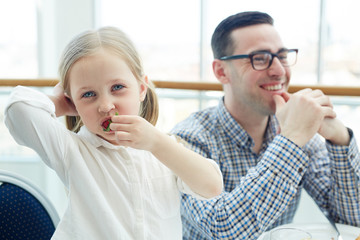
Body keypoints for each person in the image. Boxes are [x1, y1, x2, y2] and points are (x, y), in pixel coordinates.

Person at [4, 26, 223, 239]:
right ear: (72, 102)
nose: (106, 105)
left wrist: (157, 143)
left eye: (117, 87)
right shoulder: (72, 150)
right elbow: (18, 109)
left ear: (141, 89)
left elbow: (212, 186)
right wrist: (59, 103)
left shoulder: (163, 149)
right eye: (89, 94)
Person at [171, 11, 360, 239]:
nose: (280, 71)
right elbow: (224, 231)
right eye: (259, 58)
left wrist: (340, 138)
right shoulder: (188, 139)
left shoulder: (295, 131)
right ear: (221, 71)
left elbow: (353, 220)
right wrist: (290, 140)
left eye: (282, 56)